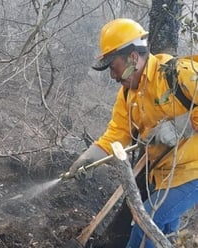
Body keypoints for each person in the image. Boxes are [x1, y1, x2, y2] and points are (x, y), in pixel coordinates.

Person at [68, 18, 198, 247]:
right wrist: (89, 158)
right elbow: (118, 132)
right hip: (165, 174)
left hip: (192, 170)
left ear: (132, 58)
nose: (113, 76)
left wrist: (181, 126)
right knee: (165, 235)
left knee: (146, 222)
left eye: (113, 67)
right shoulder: (129, 95)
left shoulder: (179, 74)